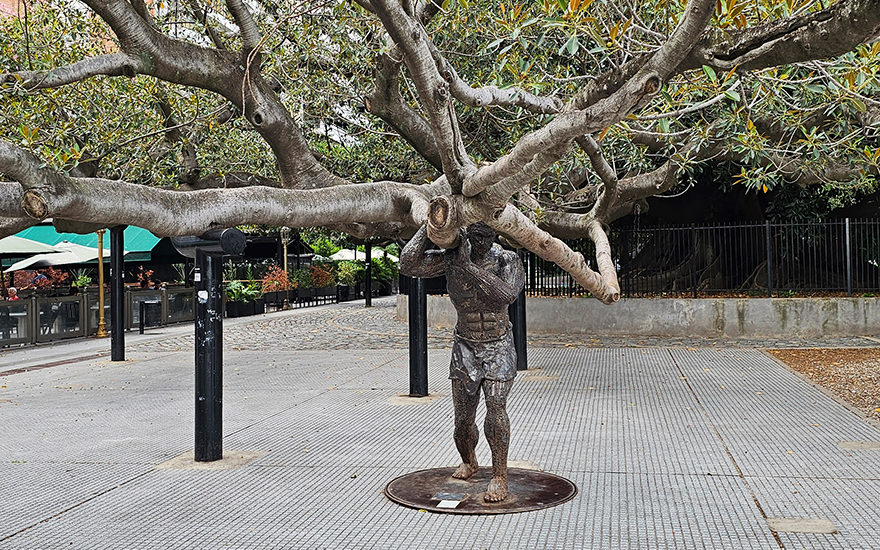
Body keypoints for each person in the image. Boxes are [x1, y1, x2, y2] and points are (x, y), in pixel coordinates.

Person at [400, 222, 525, 502]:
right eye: (475, 235)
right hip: (465, 344)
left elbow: (505, 295)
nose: (481, 241)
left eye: (487, 235)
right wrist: (430, 224)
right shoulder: (450, 259)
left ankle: (499, 476)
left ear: (495, 234)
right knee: (463, 421)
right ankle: (469, 461)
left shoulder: (507, 259)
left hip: (498, 344)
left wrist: (468, 267)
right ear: (466, 233)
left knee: (496, 408)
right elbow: (407, 265)